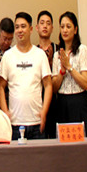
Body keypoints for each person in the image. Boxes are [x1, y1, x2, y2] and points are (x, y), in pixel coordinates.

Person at [0, 12, 52, 140]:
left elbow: (48, 85)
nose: (20, 30)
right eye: (17, 27)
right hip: (15, 124)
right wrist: (5, 112)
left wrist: (44, 112)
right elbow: (0, 86)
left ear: (31, 29)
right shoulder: (8, 56)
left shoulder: (40, 55)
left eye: (23, 26)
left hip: (37, 122)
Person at [50, 11, 87, 137]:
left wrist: (69, 67)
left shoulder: (82, 50)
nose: (65, 30)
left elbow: (85, 83)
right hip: (62, 103)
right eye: (62, 26)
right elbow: (54, 88)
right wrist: (62, 71)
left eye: (68, 27)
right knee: (64, 142)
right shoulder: (57, 55)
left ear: (75, 30)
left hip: (79, 102)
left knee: (82, 141)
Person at [36, 10, 59, 138]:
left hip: (56, 102)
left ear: (52, 28)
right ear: (37, 27)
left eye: (48, 23)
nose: (45, 26)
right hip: (38, 101)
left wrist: (51, 63)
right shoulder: (33, 52)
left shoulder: (59, 50)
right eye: (42, 23)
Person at [0, 17, 14, 109]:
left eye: (10, 39)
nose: (6, 42)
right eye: (4, 38)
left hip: (10, 102)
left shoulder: (14, 54)